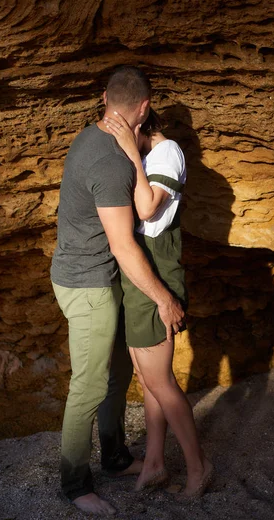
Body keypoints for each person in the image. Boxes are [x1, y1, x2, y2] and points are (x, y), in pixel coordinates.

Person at [50, 66, 184, 516]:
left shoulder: (92, 136)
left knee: (115, 376)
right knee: (88, 386)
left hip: (96, 277)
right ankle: (74, 483)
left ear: (105, 96)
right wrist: (165, 298)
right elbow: (124, 246)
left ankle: (113, 456)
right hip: (88, 284)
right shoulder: (109, 160)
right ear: (144, 108)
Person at [103, 108, 213, 497]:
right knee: (148, 381)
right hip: (140, 275)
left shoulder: (167, 153)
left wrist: (131, 155)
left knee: (161, 382)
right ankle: (154, 464)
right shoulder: (150, 155)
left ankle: (199, 467)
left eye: (124, 133)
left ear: (140, 124)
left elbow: (148, 208)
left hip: (157, 275)